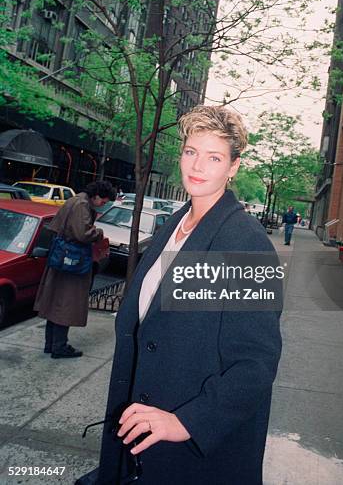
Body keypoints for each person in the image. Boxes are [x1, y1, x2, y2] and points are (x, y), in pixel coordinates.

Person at [76, 106, 282, 485]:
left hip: (191, 451)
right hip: (142, 428)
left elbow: (255, 364)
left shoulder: (245, 241)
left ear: (234, 166)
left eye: (214, 157)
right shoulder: (176, 223)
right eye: (191, 152)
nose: (198, 165)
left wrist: (188, 421)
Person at [34, 180, 116, 359]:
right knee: (66, 303)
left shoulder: (75, 200)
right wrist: (99, 232)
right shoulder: (82, 205)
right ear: (96, 195)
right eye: (103, 201)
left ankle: (51, 344)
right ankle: (59, 346)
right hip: (73, 259)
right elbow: (83, 233)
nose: (103, 205)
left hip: (62, 255)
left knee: (56, 301)